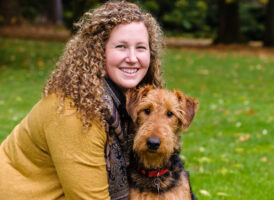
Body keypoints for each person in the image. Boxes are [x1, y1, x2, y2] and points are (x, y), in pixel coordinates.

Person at [0, 1, 196, 200]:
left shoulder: (117, 102)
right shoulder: (76, 112)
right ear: (97, 51)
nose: (132, 58)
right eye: (121, 46)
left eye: (141, 48)